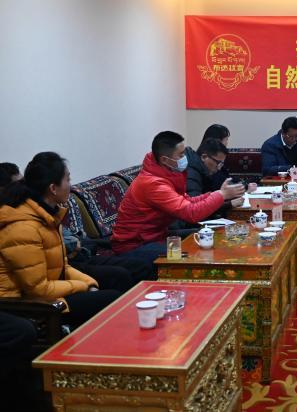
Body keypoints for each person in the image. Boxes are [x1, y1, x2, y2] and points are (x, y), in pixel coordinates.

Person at [0, 152, 121, 329]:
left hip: (47, 293)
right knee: (112, 299)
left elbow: (63, 268)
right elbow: (38, 290)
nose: (70, 186)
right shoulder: (23, 228)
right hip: (29, 306)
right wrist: (82, 287)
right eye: (67, 180)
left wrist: (89, 284)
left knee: (115, 283)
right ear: (53, 188)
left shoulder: (46, 215)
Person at [111, 131, 245, 265]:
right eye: (180, 155)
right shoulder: (153, 184)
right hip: (135, 245)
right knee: (193, 254)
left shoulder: (167, 174)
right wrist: (221, 195)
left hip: (157, 237)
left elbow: (188, 200)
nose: (184, 158)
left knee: (208, 237)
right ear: (164, 159)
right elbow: (191, 213)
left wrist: (217, 194)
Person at [199, 124, 231, 189]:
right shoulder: (209, 159)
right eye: (226, 139)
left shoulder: (218, 157)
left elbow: (226, 177)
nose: (227, 143)